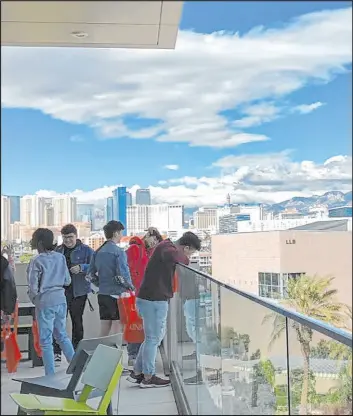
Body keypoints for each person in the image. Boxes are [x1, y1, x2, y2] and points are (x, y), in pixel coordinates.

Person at [127, 231, 201, 388]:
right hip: (154, 300)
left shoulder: (165, 247)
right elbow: (183, 260)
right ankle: (148, 377)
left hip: (148, 298)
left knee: (151, 338)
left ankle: (138, 372)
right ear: (185, 247)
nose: (190, 255)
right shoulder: (168, 249)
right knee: (153, 339)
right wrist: (185, 256)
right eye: (191, 251)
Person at [27, 228, 75, 376]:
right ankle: (76, 368)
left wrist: (35, 299)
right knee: (62, 335)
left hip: (45, 302)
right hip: (61, 299)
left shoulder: (36, 260)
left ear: (39, 243)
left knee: (46, 341)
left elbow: (33, 287)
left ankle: (50, 375)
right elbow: (67, 281)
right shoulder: (60, 258)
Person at [52, 224, 94, 365]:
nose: (67, 240)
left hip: (79, 292)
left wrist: (82, 267)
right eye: (65, 238)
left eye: (70, 237)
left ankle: (77, 351)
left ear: (76, 236)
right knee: (58, 322)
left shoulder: (86, 250)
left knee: (77, 322)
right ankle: (56, 352)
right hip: (60, 292)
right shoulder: (58, 250)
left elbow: (96, 266)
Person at [87, 220, 133, 337]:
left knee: (104, 327)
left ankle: (102, 352)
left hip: (102, 294)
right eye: (121, 233)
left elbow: (90, 275)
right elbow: (123, 275)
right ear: (116, 233)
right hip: (116, 295)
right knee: (117, 327)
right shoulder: (119, 252)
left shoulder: (97, 252)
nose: (121, 236)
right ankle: (114, 353)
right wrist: (131, 287)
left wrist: (100, 284)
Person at [126, 227, 163, 367]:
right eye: (153, 238)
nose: (154, 242)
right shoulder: (135, 248)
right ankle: (133, 354)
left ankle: (141, 356)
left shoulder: (151, 252)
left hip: (147, 293)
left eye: (157, 240)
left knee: (144, 326)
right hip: (136, 292)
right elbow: (127, 267)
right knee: (135, 325)